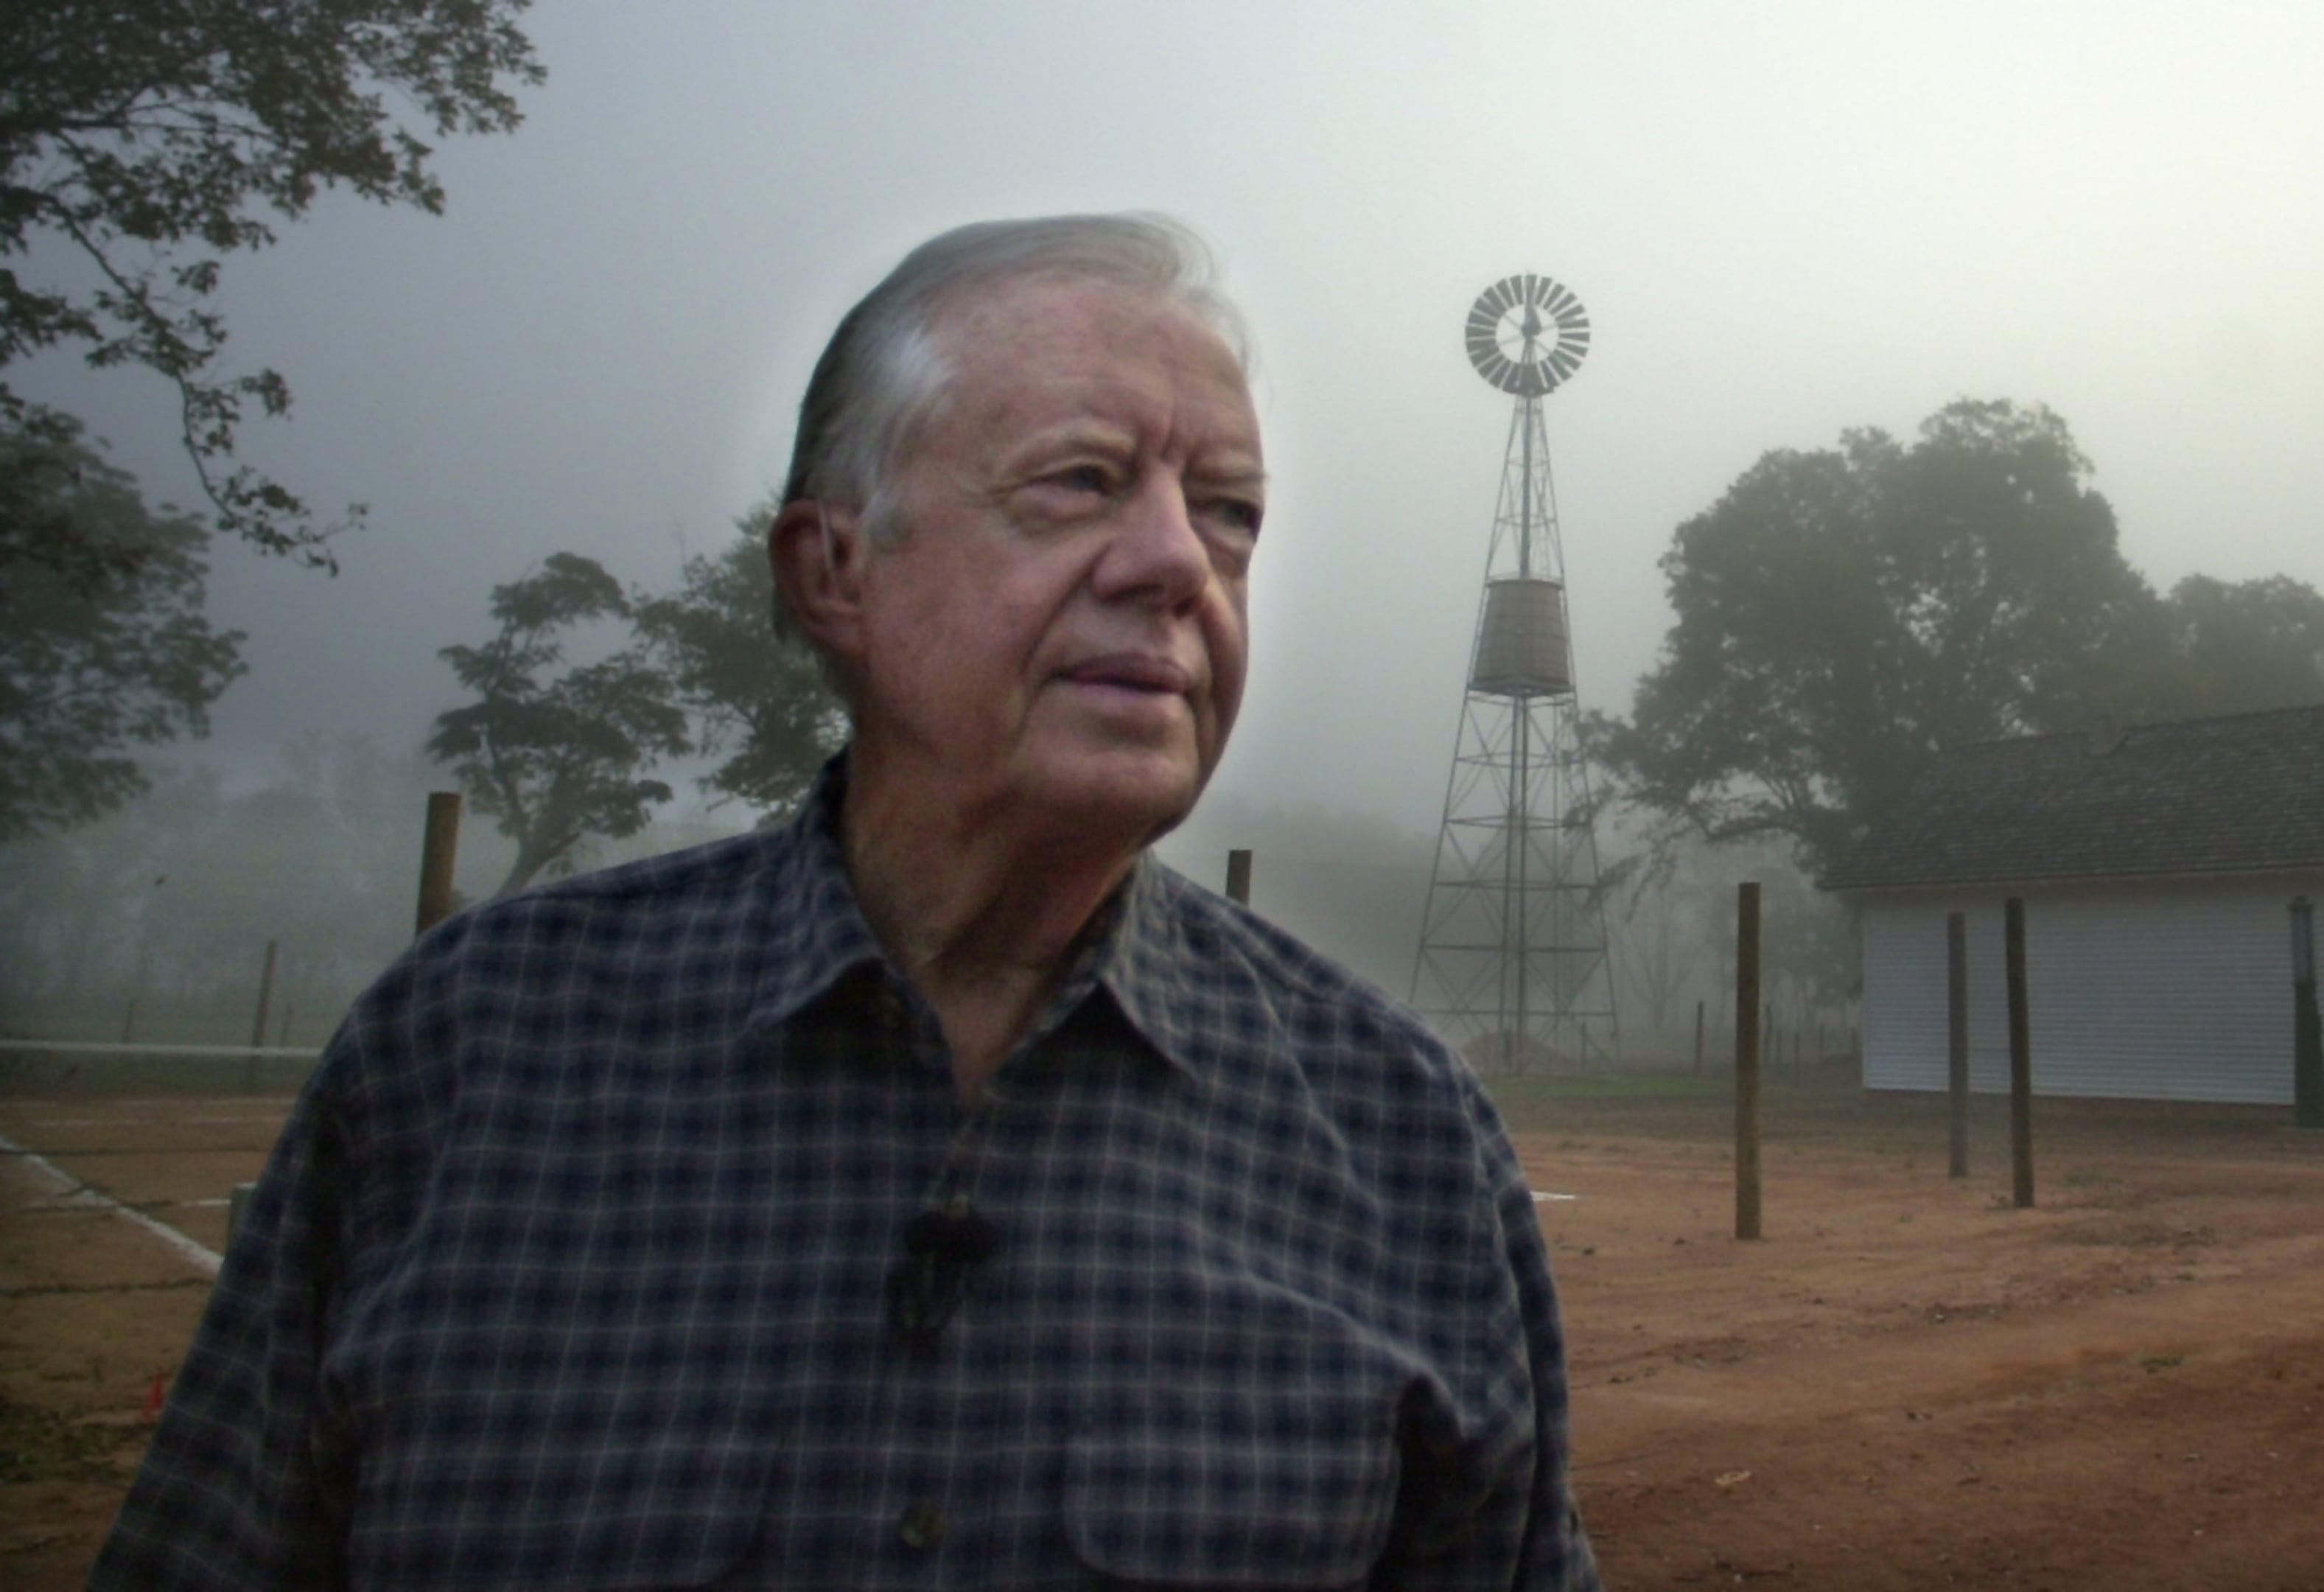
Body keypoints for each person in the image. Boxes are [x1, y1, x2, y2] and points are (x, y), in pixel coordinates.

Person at [93, 215, 1598, 1590]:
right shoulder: (468, 1058)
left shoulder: (1400, 1136)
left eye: (1229, 512)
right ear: (833, 570)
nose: (1173, 564)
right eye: (1079, 481)